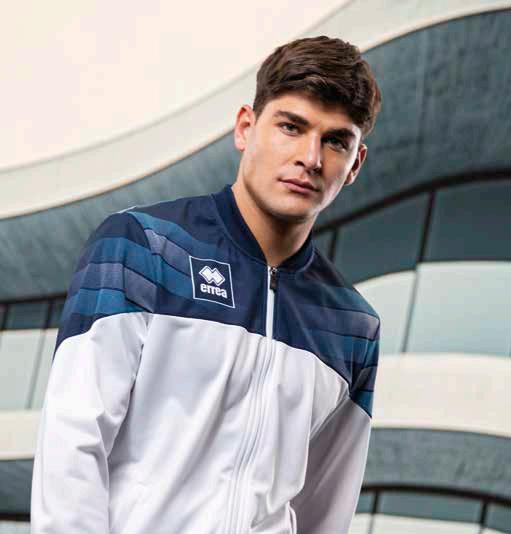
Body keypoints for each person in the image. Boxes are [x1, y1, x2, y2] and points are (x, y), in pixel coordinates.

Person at [31, 35, 382, 534]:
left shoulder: (353, 326)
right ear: (246, 128)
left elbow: (325, 513)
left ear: (355, 164)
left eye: (335, 141)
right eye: (291, 127)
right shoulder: (142, 246)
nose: (310, 157)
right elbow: (72, 449)